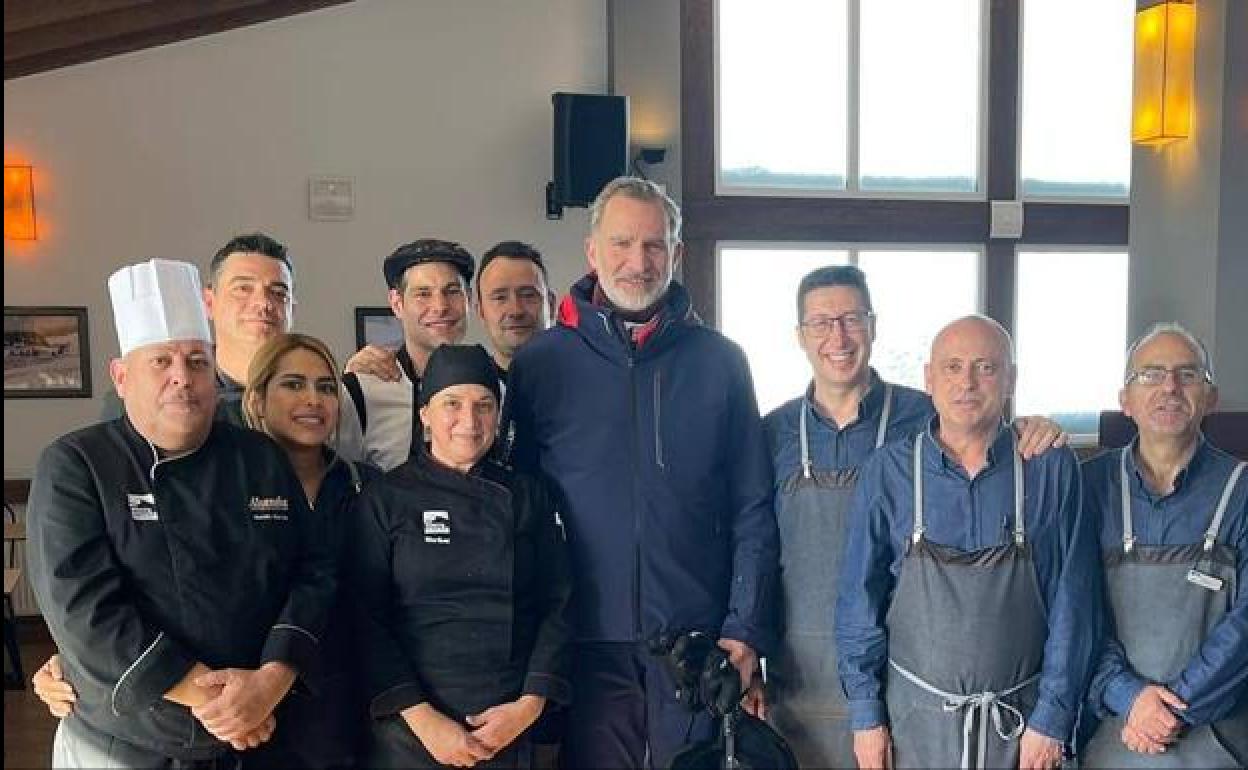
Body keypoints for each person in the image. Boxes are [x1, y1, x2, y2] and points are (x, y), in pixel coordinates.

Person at [507, 176, 779, 769]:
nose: (638, 261)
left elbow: (752, 507)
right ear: (591, 251)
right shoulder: (541, 366)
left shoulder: (721, 362)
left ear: (676, 254)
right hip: (581, 640)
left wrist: (745, 626)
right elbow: (513, 510)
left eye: (655, 245)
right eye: (622, 244)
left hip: (698, 641)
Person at [26, 259, 335, 768]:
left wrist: (270, 682)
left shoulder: (259, 458)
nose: (182, 378)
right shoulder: (76, 464)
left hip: (259, 734)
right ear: (121, 377)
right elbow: (84, 612)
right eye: (160, 362)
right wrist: (221, 701)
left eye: (196, 361)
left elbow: (313, 573)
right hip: (127, 745)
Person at [763, 267, 1063, 767]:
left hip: (906, 692)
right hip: (801, 680)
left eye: (852, 319)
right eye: (821, 322)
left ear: (873, 326)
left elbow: (984, 428)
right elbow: (750, 546)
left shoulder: (924, 413)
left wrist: (1034, 426)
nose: (838, 336)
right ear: (800, 336)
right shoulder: (771, 433)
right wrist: (749, 651)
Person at [835, 315, 1100, 770]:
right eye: (953, 367)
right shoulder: (889, 471)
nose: (968, 384)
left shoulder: (1051, 469)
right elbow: (859, 602)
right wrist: (865, 717)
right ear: (928, 379)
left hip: (1021, 730)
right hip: (912, 726)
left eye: (986, 368)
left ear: (1011, 379)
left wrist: (1052, 720)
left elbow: (1073, 603)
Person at [348, 344, 573, 768]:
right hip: (409, 729)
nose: (469, 421)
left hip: (507, 723)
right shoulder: (385, 498)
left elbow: (558, 603)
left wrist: (528, 705)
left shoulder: (529, 496)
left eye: (484, 405)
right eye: (452, 404)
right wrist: (422, 719)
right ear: (425, 416)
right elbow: (365, 618)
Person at [1081, 323, 1247, 768]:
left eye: (1187, 374)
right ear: (1125, 401)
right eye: (1151, 374)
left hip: (1220, 740)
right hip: (1113, 734)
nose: (1170, 387)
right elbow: (1074, 611)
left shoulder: (1243, 490)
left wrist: (1173, 708)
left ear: (1210, 397)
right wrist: (1128, 695)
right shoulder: (1087, 487)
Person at [100, 232, 295, 426]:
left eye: (278, 293)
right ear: (209, 303)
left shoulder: (313, 390)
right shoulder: (156, 395)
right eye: (243, 289)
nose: (263, 303)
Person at [338, 238, 473, 471]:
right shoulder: (360, 391)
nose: (440, 306)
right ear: (397, 303)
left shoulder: (493, 390)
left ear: (469, 298)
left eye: (452, 291)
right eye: (423, 293)